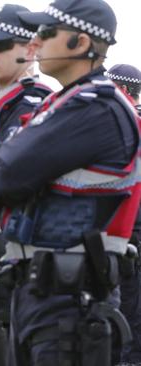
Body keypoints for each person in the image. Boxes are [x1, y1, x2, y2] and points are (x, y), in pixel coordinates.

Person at [0, 0, 137, 364]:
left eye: (46, 32)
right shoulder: (64, 103)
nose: (36, 42)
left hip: (72, 299)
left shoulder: (96, 107)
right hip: (41, 290)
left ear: (79, 42)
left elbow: (8, 174)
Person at [106, 63, 141, 364]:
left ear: (126, 90)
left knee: (128, 306)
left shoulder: (130, 124)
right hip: (125, 228)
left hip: (132, 231)